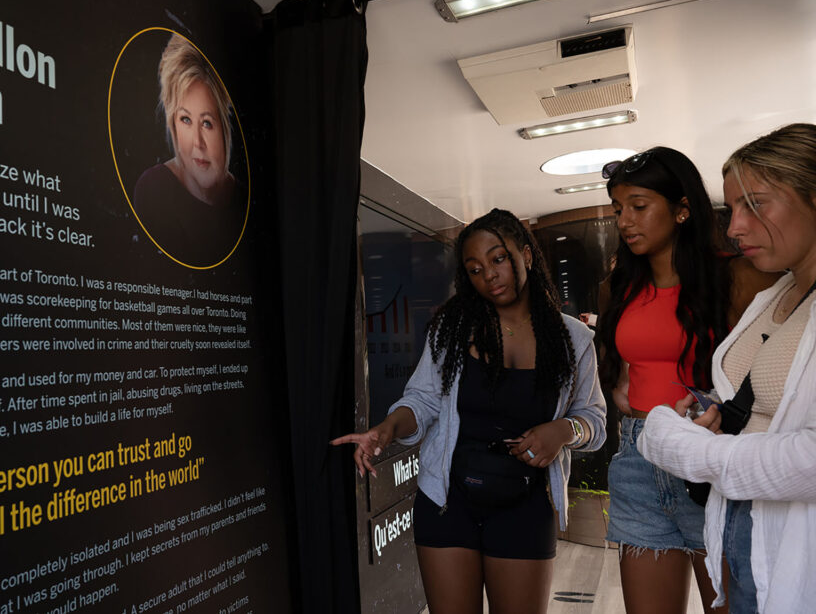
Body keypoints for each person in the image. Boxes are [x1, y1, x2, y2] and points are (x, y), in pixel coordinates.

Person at [333, 208, 606, 614]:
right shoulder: (452, 330)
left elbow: (595, 422)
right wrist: (387, 428)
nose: (489, 275)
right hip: (448, 501)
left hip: (525, 505)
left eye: (498, 259)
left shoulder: (573, 338)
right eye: (475, 268)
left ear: (526, 255)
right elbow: (422, 401)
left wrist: (564, 431)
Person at [638, 123, 816, 614]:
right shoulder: (775, 294)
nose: (735, 226)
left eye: (755, 204)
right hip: (742, 540)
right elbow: (766, 401)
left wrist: (700, 454)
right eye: (733, 207)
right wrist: (707, 415)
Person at [596, 147, 775, 614]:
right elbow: (622, 365)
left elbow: (767, 371)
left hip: (708, 457)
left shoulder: (736, 277)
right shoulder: (618, 287)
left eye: (639, 206)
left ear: (681, 209)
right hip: (637, 456)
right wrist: (624, 392)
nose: (625, 221)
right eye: (618, 210)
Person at [133, 33, 247, 266]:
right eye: (185, 119)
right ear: (172, 123)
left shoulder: (244, 202)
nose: (197, 142)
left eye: (207, 123)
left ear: (226, 128)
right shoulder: (153, 191)